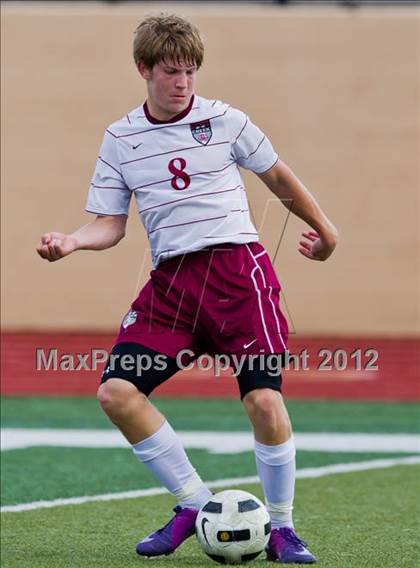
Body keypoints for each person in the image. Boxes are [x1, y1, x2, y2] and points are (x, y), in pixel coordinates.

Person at [37, 13, 338, 564]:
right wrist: (73, 242)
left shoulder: (227, 121)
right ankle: (194, 505)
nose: (183, 82)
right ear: (143, 69)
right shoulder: (121, 137)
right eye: (171, 71)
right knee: (116, 393)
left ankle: (282, 529)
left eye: (191, 71)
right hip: (172, 285)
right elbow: (110, 223)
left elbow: (279, 178)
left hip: (237, 275)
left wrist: (327, 230)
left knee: (264, 401)